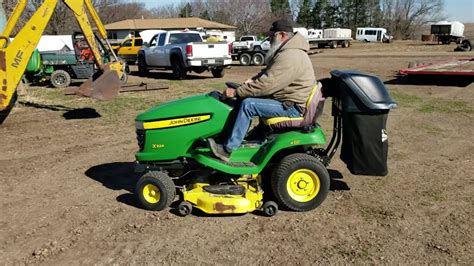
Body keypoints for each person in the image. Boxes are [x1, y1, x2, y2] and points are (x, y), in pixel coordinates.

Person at [208, 19, 316, 162]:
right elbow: (267, 73)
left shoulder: (291, 56)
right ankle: (249, 139)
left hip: (292, 107)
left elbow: (267, 84)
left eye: (272, 36)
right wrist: (252, 80)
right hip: (286, 100)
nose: (269, 40)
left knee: (249, 104)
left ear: (282, 35)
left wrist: (236, 92)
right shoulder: (286, 51)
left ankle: (227, 150)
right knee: (248, 99)